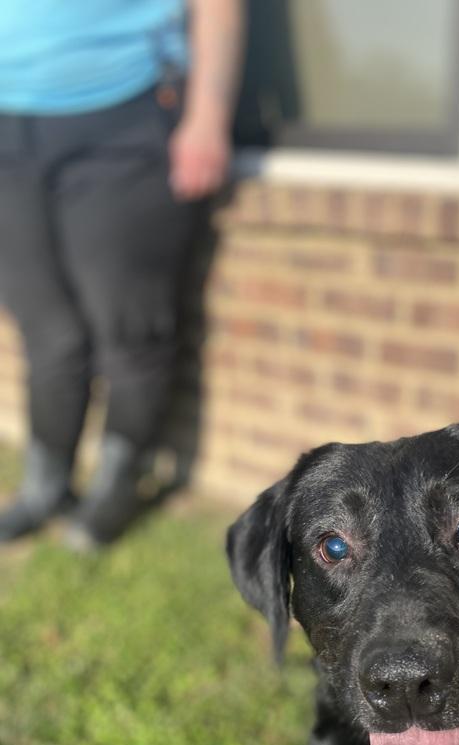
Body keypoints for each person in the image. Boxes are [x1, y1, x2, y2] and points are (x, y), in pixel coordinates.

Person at [0, 0, 244, 547]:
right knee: (46, 331)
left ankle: (115, 487)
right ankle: (45, 487)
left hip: (123, 112)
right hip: (6, 129)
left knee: (131, 328)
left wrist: (208, 116)